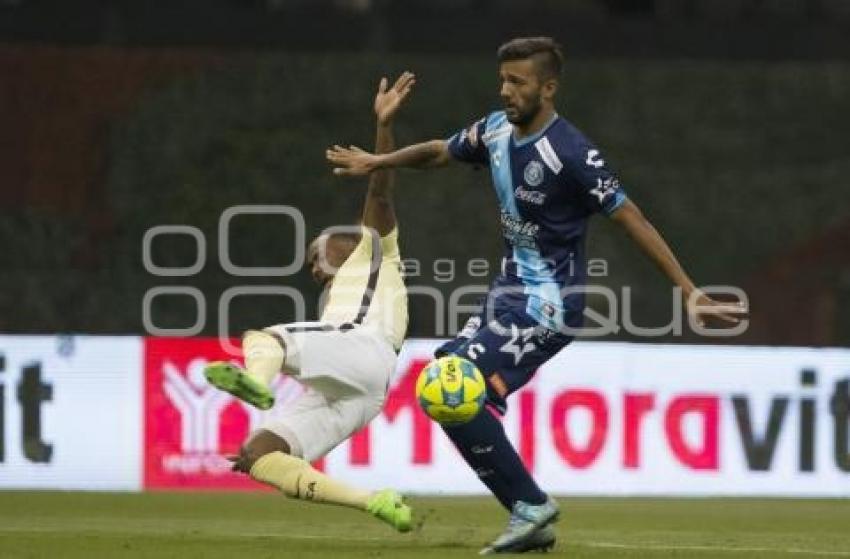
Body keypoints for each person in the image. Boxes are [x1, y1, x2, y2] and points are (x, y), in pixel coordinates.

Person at [326, 37, 747, 554]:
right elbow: (440, 151)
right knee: (442, 393)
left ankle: (530, 506)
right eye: (503, 79)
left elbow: (630, 217)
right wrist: (379, 156)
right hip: (506, 296)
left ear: (548, 88)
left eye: (517, 82)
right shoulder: (497, 130)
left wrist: (687, 290)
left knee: (446, 385)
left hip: (548, 304)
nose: (505, 90)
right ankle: (529, 514)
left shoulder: (572, 153)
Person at [204, 72, 416, 533]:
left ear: (344, 240)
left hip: (364, 347)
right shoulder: (337, 299)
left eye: (315, 256)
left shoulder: (374, 248)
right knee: (258, 455)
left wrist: (383, 127)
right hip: (363, 389)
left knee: (264, 338)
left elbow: (380, 188)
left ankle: (255, 381)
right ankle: (375, 502)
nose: (314, 268)